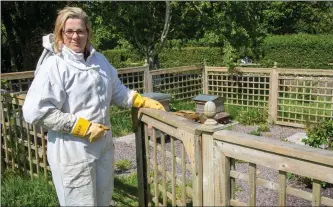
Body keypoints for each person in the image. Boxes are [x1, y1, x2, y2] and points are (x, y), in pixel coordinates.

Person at [22, 6, 165, 206]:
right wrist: (80, 126)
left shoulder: (99, 60)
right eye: (69, 31)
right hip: (72, 151)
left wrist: (139, 100)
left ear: (88, 32)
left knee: (103, 200)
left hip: (102, 146)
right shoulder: (54, 66)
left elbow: (116, 90)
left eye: (80, 31)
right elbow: (35, 111)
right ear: (60, 34)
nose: (75, 36)